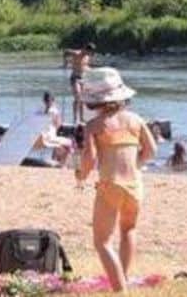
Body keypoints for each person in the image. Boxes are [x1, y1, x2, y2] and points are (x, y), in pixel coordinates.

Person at [76, 67, 157, 293]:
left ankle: (120, 289)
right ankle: (122, 277)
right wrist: (136, 165)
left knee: (102, 241)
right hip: (135, 184)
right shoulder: (135, 119)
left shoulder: (94, 126)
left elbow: (90, 159)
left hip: (110, 184)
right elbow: (151, 150)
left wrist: (81, 175)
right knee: (128, 230)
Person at [63, 43, 96, 124]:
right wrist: (66, 62)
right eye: (89, 52)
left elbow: (84, 66)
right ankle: (74, 119)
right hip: (75, 78)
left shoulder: (87, 57)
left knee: (82, 99)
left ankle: (81, 119)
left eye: (91, 52)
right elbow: (65, 51)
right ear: (85, 49)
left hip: (83, 79)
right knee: (78, 97)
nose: (90, 54)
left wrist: (93, 71)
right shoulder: (76, 53)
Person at [38, 91, 73, 165]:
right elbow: (58, 125)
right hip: (49, 138)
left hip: (40, 138)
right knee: (70, 143)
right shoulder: (55, 111)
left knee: (59, 145)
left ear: (43, 101)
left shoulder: (39, 111)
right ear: (53, 100)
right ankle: (63, 166)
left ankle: (54, 160)